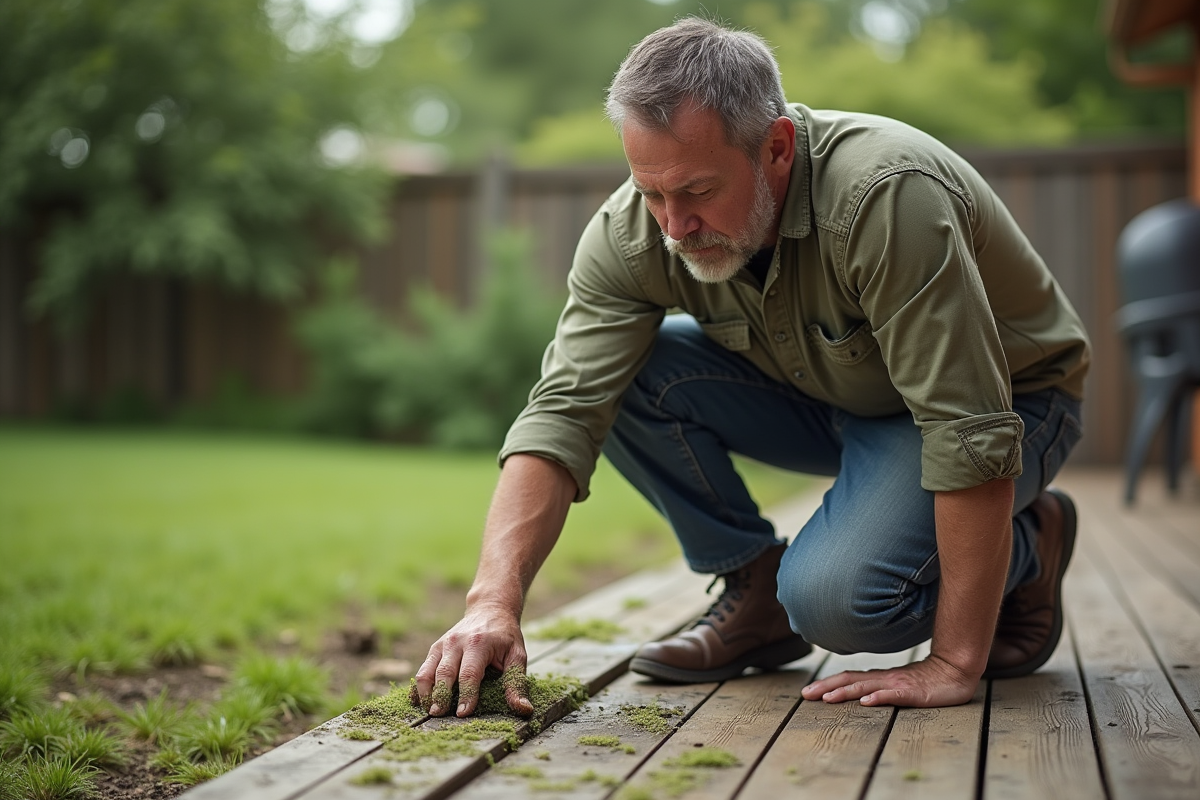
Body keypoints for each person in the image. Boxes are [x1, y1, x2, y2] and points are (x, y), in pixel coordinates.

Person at [412, 17, 1090, 716]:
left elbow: (966, 424)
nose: (672, 226)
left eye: (698, 192)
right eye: (651, 192)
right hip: (833, 396)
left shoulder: (887, 197)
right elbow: (563, 411)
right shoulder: (634, 235)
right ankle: (755, 591)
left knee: (841, 607)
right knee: (632, 373)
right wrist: (491, 603)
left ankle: (1030, 544)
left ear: (775, 147)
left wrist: (953, 662)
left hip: (1011, 402)